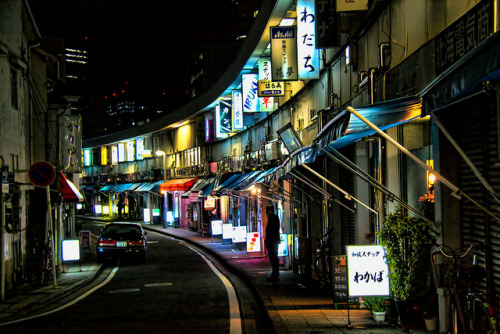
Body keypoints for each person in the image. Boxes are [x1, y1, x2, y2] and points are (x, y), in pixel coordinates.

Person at [265, 204, 281, 284]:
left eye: (266, 210)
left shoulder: (272, 218)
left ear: (269, 210)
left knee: (273, 258)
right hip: (274, 241)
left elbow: (270, 231)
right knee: (274, 258)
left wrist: (267, 241)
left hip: (272, 241)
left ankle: (275, 275)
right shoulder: (275, 217)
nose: (266, 212)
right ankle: (275, 274)